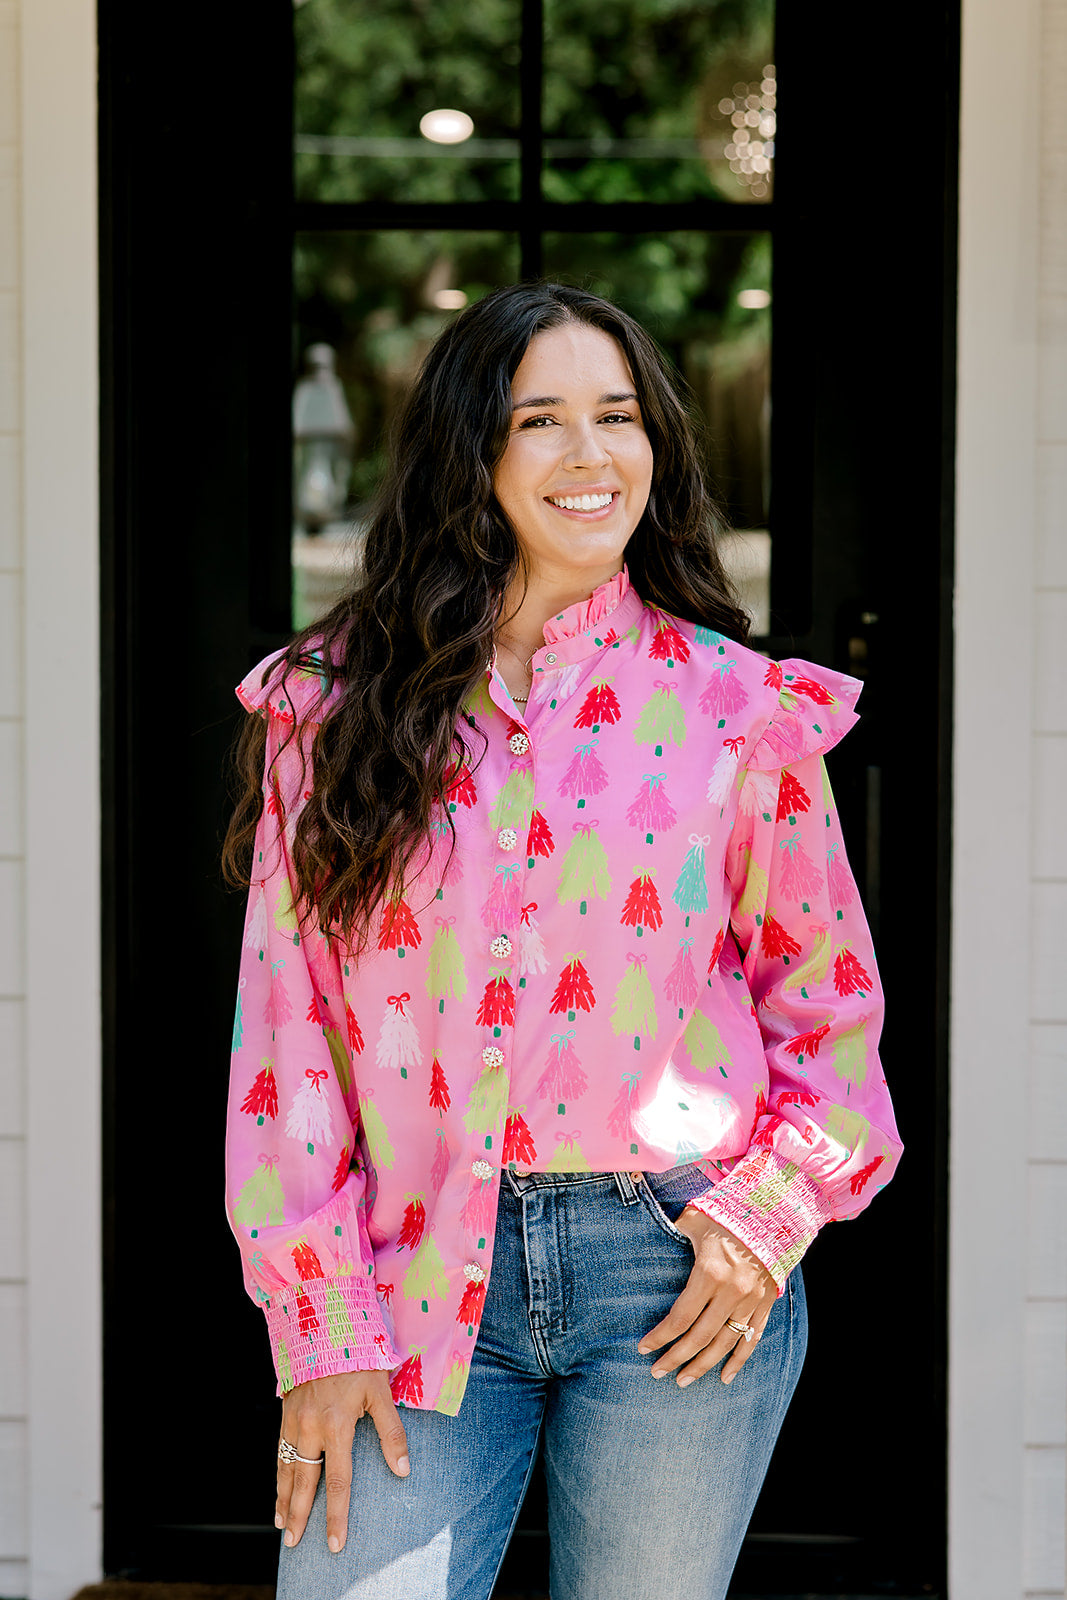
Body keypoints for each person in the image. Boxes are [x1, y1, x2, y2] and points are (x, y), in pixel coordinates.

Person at [222, 281, 901, 1600]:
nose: (593, 458)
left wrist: (768, 1214)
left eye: (620, 416)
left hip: (671, 1268)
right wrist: (316, 1314)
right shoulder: (331, 705)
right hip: (406, 1268)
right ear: (474, 454)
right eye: (542, 420)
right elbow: (285, 1026)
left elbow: (828, 1008)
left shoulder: (741, 712)